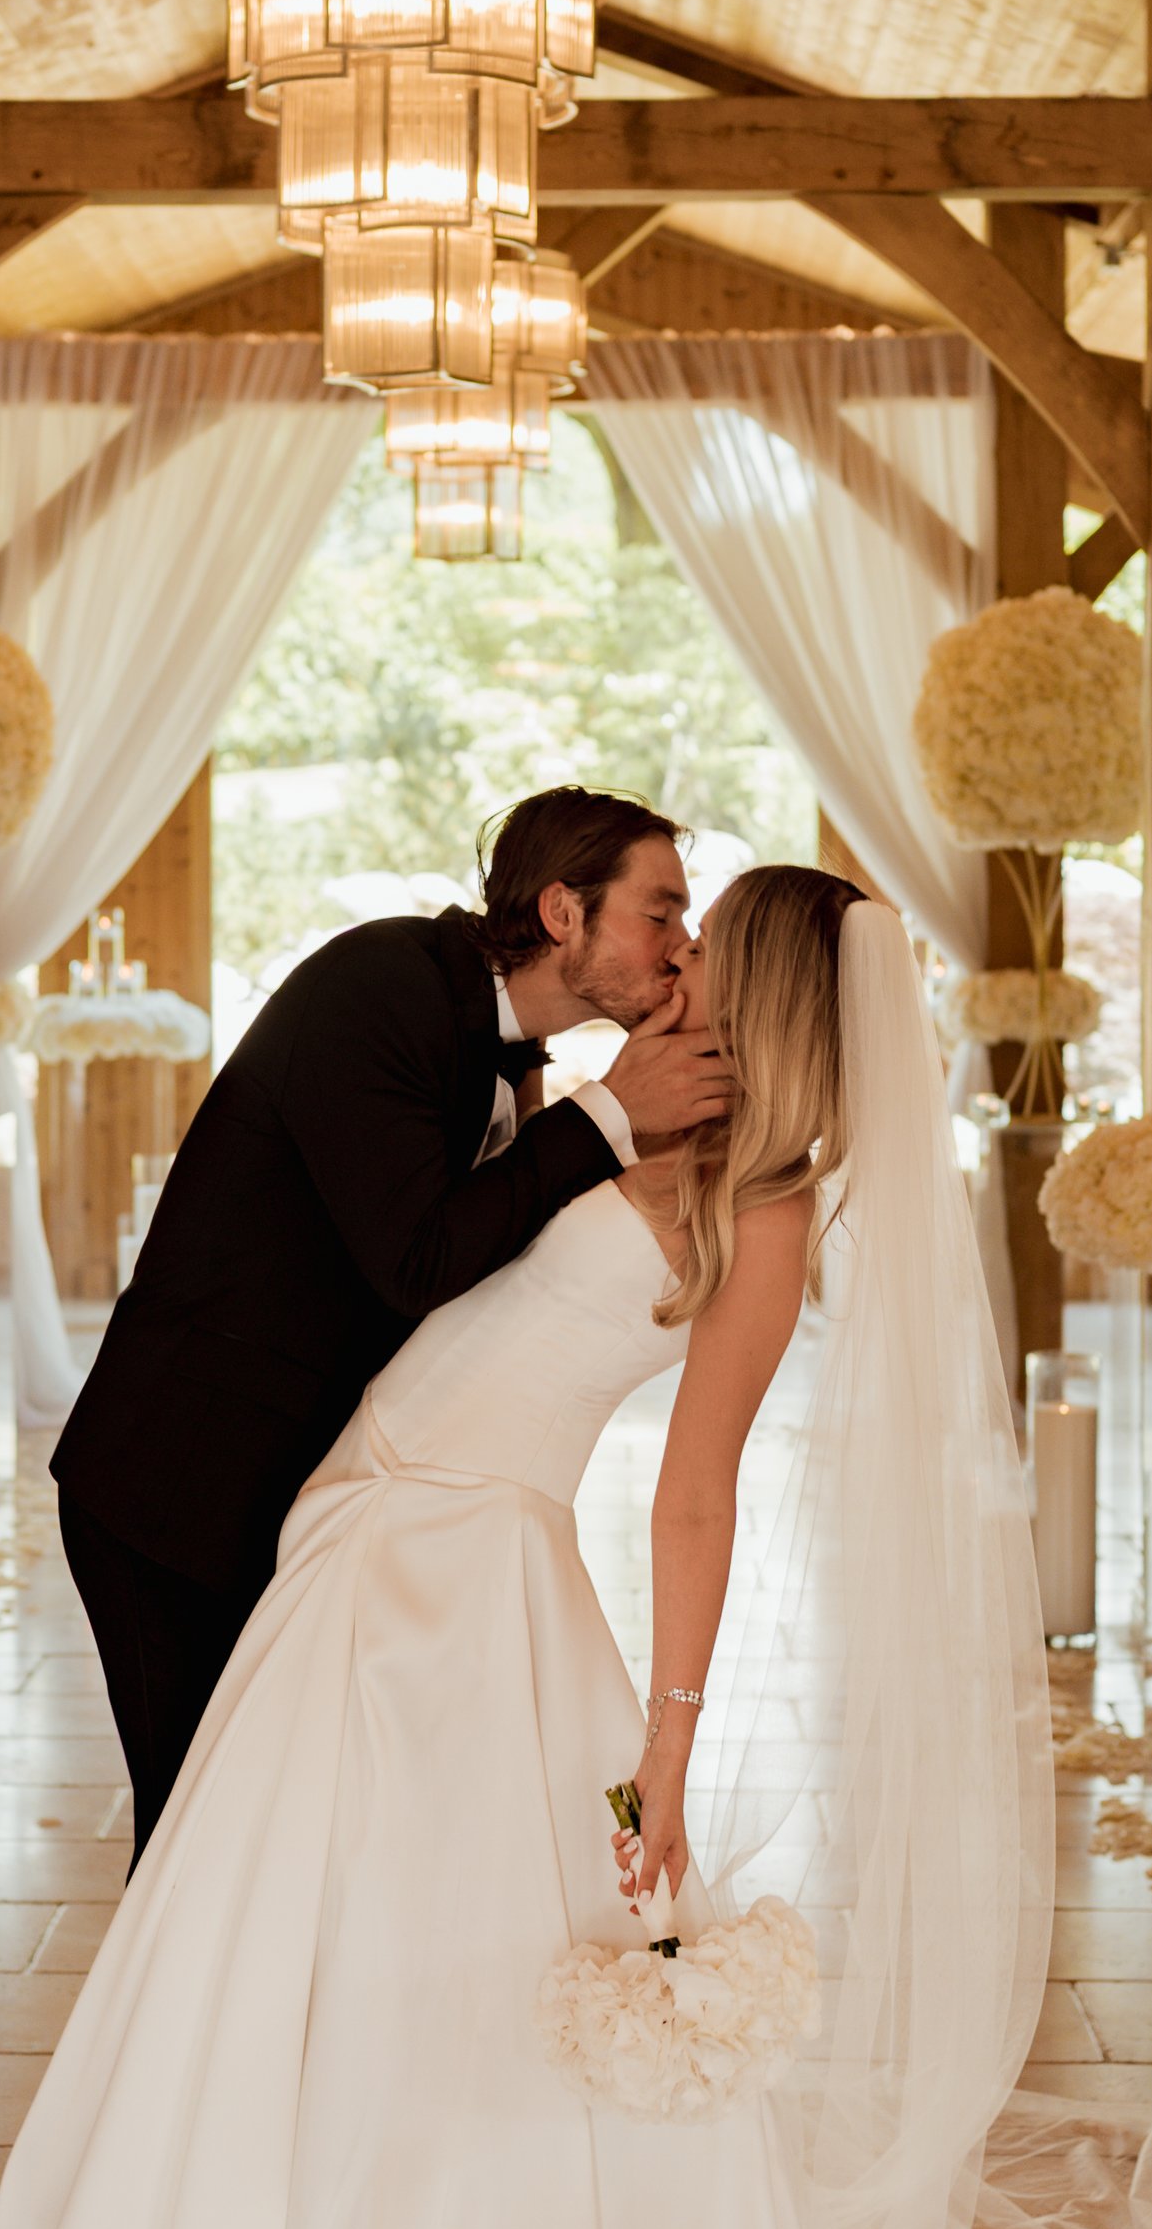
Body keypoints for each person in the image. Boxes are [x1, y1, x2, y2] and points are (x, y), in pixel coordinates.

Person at [0, 871, 1152, 2229]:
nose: (669, 959)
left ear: (767, 990)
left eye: (705, 947)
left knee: (395, 1962)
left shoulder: (762, 1211)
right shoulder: (615, 1113)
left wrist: (669, 1744)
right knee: (283, 1946)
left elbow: (694, 1498)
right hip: (358, 1543)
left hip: (455, 1585)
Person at [50, 788, 735, 1853]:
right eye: (661, 911)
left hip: (298, 1488)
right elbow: (417, 1259)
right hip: (177, 1486)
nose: (680, 943)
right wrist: (612, 1116)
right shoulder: (381, 986)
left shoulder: (508, 1049)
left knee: (288, 1835)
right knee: (199, 1839)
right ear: (564, 913)